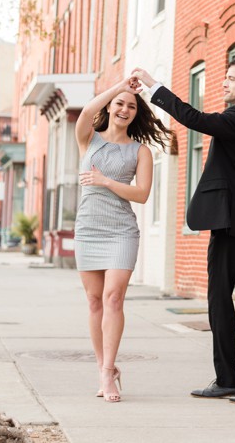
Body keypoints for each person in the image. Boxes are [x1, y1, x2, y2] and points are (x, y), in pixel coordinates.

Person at [131, 59, 235, 404]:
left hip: (234, 224)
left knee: (219, 298)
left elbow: (194, 119)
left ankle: (228, 377)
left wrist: (153, 86)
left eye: (231, 78)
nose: (224, 84)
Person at [74, 77, 172, 402]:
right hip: (88, 228)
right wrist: (119, 86)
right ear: (110, 106)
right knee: (93, 301)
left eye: (131, 106)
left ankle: (108, 371)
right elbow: (88, 110)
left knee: (113, 298)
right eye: (120, 103)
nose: (125, 109)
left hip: (121, 231)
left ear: (136, 113)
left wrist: (105, 181)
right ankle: (104, 366)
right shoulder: (88, 139)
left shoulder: (139, 151)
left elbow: (142, 195)